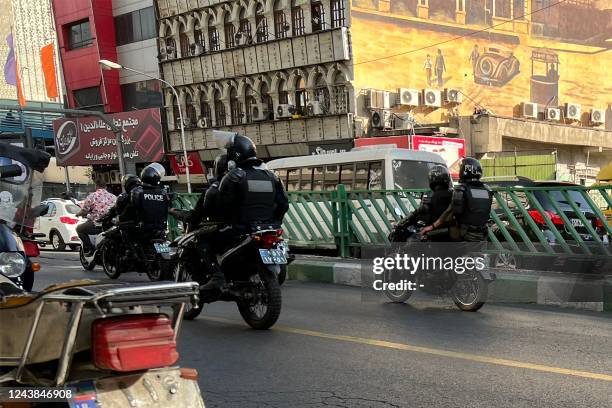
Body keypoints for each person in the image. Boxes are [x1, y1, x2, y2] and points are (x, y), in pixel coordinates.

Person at [201, 134, 289, 295]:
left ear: (235, 155)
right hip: (268, 228)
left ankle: (217, 277)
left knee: (204, 239)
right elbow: (283, 204)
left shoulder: (233, 176)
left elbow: (222, 208)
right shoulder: (271, 176)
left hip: (240, 229)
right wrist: (274, 222)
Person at [422, 158, 492, 242]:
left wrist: (432, 226)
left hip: (466, 234)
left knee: (434, 235)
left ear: (465, 170)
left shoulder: (461, 189)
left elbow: (449, 213)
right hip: (483, 233)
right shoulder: (487, 189)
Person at [390, 165, 453, 242]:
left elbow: (419, 212)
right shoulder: (453, 194)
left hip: (433, 235)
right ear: (447, 178)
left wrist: (403, 222)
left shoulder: (430, 195)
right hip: (452, 234)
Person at [123, 163, 171, 238]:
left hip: (143, 230)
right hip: (161, 230)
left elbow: (130, 209)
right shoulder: (163, 192)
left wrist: (121, 218)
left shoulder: (137, 191)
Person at [76, 179, 117, 255]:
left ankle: (91, 249)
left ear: (96, 186)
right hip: (111, 224)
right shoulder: (114, 197)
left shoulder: (92, 196)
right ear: (106, 187)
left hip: (98, 224)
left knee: (79, 229)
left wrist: (78, 214)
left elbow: (84, 211)